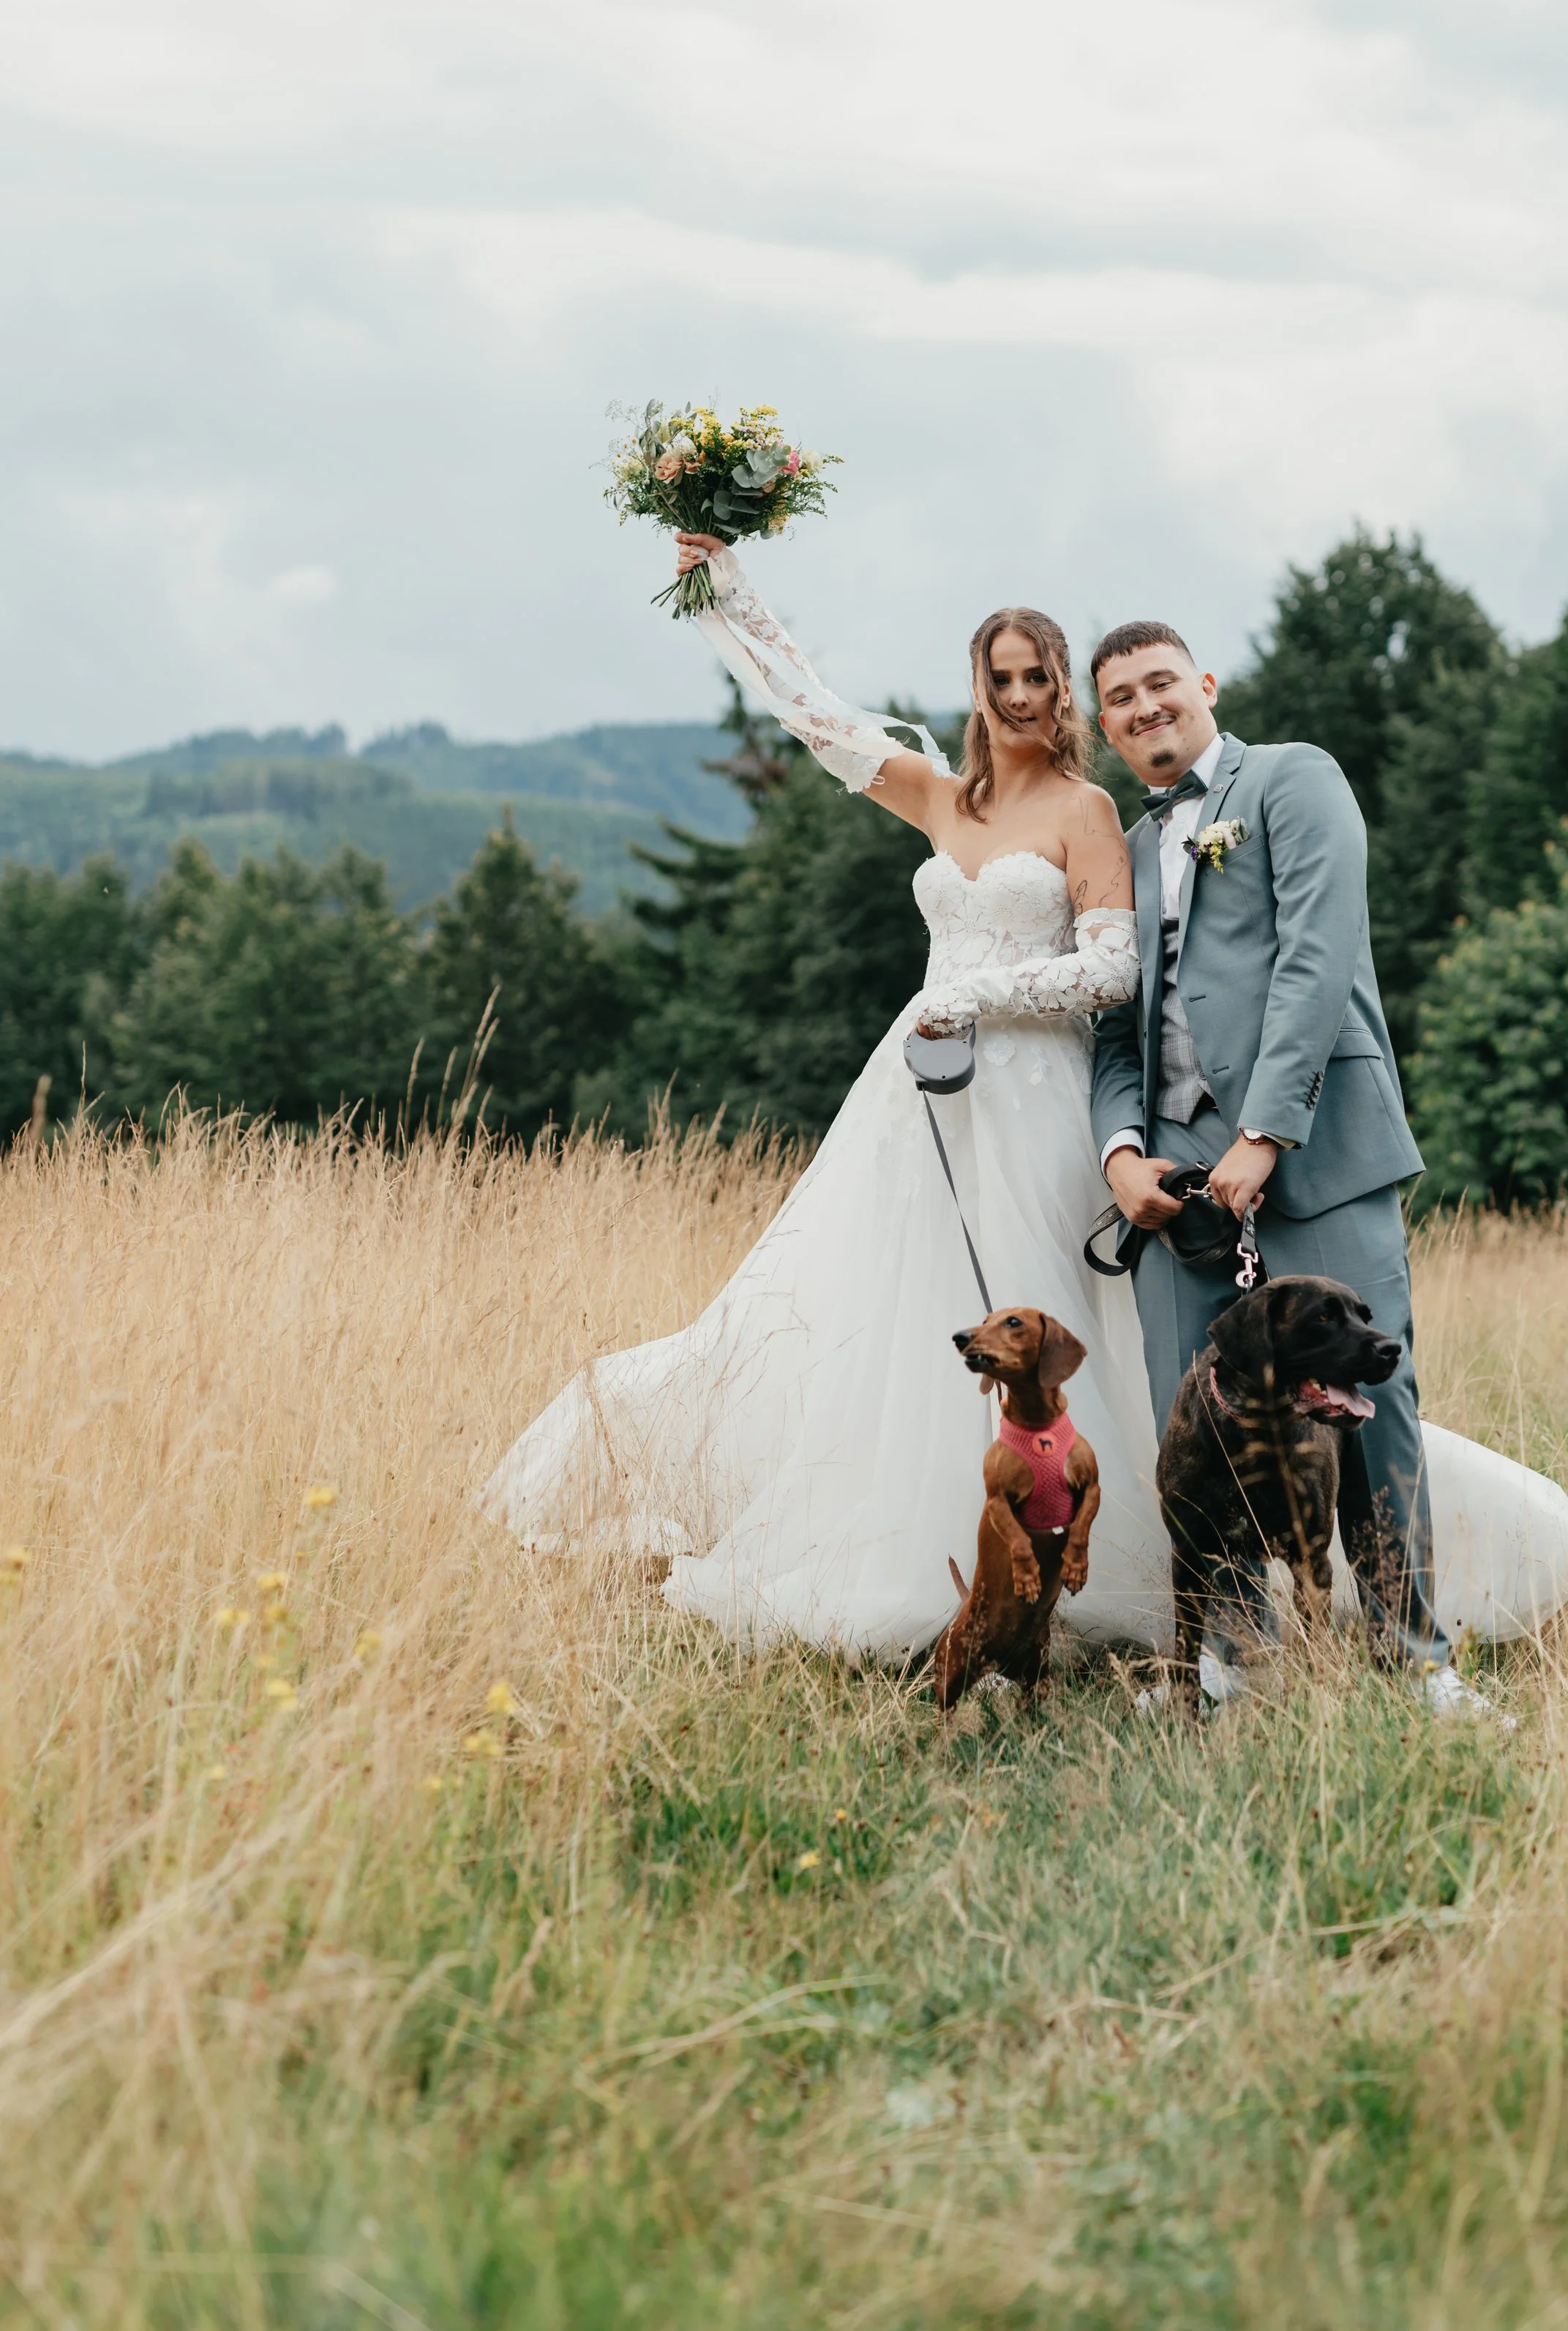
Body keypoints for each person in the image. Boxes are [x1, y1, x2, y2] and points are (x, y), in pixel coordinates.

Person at [480, 534, 1175, 1658]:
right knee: (876, 1315)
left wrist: (977, 993)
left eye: (1035, 676)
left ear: (1061, 690)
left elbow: (1112, 970)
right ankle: (906, 1548)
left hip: (1029, 1097)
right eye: (997, 678)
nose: (1016, 696)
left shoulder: (1087, 813)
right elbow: (814, 718)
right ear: (977, 690)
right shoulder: (942, 799)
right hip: (918, 1098)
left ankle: (1066, 1563)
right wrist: (724, 590)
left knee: (1033, 1308)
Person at [1089, 617, 1568, 1705]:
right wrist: (1119, 1153)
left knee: (1372, 1411)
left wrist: (1264, 1134)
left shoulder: (1294, 780)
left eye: (1163, 684)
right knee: (1196, 1427)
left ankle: (1414, 1657)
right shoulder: (1123, 845)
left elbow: (1316, 955)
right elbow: (1113, 1020)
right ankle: (1232, 1666)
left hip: (1314, 1150)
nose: (1146, 708)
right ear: (1104, 724)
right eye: (1121, 698)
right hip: (1174, 1191)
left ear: (1204, 683)